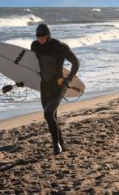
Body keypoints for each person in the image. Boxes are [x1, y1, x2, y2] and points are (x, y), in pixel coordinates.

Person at [31, 24, 80, 155]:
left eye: (42, 36)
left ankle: (55, 145)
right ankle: (62, 143)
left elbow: (76, 62)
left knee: (48, 114)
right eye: (38, 37)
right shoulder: (34, 46)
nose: (40, 39)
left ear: (48, 35)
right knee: (52, 117)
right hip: (44, 86)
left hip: (58, 86)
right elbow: (30, 66)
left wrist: (68, 79)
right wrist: (22, 80)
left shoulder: (60, 46)